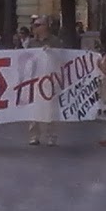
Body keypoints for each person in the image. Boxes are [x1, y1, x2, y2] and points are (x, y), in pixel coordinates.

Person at [26, 16, 62, 146]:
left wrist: (51, 52)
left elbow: (61, 57)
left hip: (50, 79)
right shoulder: (31, 42)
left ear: (46, 27)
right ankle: (34, 135)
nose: (34, 28)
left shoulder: (54, 41)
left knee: (51, 108)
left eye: (38, 25)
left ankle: (51, 135)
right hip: (35, 78)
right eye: (34, 25)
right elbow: (26, 58)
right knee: (34, 108)